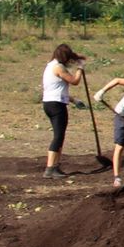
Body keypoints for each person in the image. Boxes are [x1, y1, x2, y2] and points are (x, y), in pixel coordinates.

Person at [41, 44, 85, 178]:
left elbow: (55, 89)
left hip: (49, 102)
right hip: (56, 105)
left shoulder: (49, 66)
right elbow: (75, 81)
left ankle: (55, 166)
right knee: (58, 136)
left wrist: (74, 100)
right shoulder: (58, 67)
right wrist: (80, 68)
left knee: (60, 135)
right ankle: (50, 169)